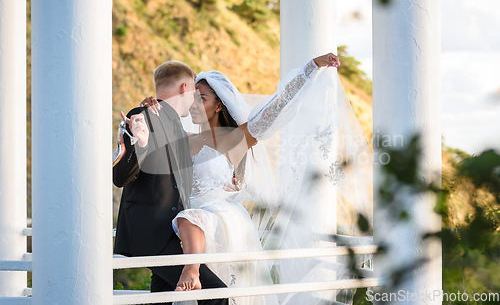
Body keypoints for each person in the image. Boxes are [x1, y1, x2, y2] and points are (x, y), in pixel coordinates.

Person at [139, 52, 374, 305]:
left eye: (202, 98)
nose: (194, 104)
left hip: (217, 221)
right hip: (185, 230)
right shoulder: (183, 138)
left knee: (194, 230)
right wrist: (154, 108)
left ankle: (192, 270)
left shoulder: (235, 139)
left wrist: (311, 68)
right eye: (192, 98)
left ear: (218, 104)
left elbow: (277, 107)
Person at [113, 60, 237, 305]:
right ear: (184, 88)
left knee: (161, 300)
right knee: (215, 293)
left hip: (167, 232)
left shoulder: (176, 127)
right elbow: (119, 177)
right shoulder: (140, 116)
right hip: (150, 233)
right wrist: (141, 143)